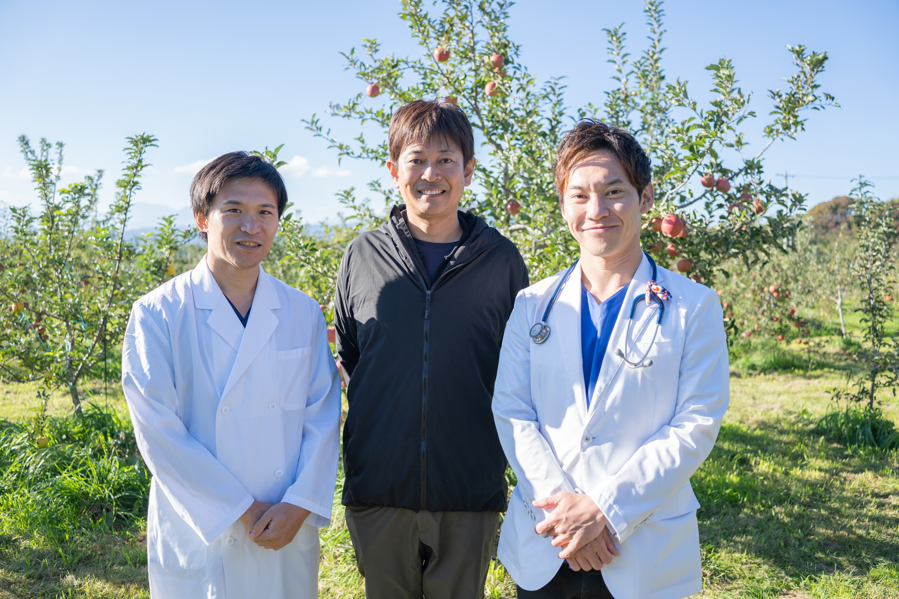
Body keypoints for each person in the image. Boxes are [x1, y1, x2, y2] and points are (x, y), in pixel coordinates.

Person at [491, 119, 730, 599]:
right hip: (547, 543)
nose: (596, 210)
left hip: (642, 549)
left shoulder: (694, 305)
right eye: (579, 196)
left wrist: (604, 510)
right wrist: (567, 515)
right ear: (563, 206)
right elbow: (513, 411)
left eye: (614, 192)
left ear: (646, 198)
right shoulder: (532, 304)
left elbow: (696, 423)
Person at [333, 99, 529, 599]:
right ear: (393, 170)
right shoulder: (362, 255)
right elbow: (352, 358)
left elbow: (519, 365)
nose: (431, 174)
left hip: (469, 485)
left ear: (469, 169)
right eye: (417, 159)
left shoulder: (501, 261)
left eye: (446, 160)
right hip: (380, 486)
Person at [121, 152, 341, 598]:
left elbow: (322, 414)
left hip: (285, 519)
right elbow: (159, 431)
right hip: (206, 525)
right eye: (234, 210)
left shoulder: (301, 311)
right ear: (202, 219)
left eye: (265, 212)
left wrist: (300, 503)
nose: (251, 226)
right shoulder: (158, 313)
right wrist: (240, 508)